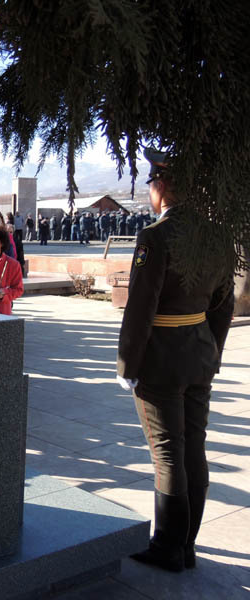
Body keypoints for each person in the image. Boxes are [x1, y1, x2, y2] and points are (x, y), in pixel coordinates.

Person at [117, 148, 234, 573]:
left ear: (161, 186)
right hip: (198, 356)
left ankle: (169, 546)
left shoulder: (156, 236)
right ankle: (187, 544)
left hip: (162, 360)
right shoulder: (217, 236)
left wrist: (128, 365)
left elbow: (141, 308)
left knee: (168, 453)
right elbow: (224, 303)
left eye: (150, 184)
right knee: (192, 448)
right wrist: (211, 349)